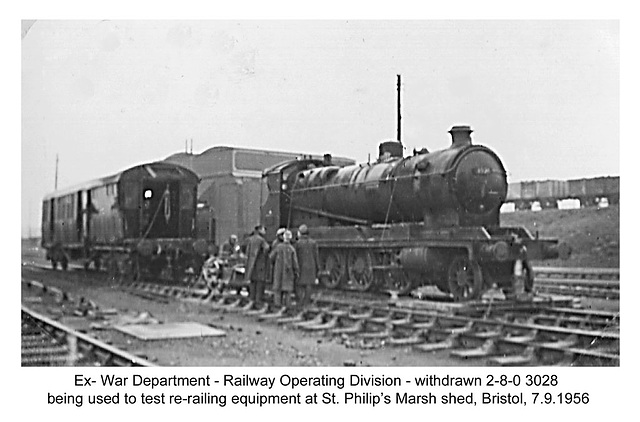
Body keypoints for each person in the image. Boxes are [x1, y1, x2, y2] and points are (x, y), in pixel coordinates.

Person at [269, 230, 299, 307]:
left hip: (278, 271)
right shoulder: (292, 249)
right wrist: (296, 271)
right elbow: (295, 263)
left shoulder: (278, 247)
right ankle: (287, 306)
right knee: (288, 290)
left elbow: (271, 257)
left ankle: (277, 306)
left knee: (277, 290)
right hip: (288, 272)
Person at [244, 225, 270, 307]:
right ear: (259, 230)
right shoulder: (262, 240)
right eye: (263, 229)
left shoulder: (250, 239)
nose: (265, 231)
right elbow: (267, 249)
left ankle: (252, 300)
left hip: (251, 265)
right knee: (259, 284)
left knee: (252, 283)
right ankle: (258, 302)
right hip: (260, 265)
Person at [294, 224, 319, 307]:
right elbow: (316, 256)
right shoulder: (313, 242)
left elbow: (295, 256)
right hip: (311, 266)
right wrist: (317, 268)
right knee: (309, 285)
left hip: (301, 266)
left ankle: (301, 301)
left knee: (299, 284)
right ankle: (306, 302)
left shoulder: (298, 243)